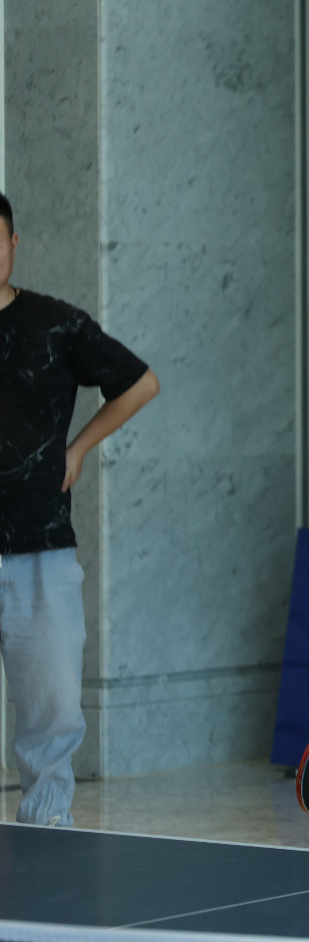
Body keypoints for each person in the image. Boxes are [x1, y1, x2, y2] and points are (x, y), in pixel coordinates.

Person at [0, 191, 160, 826]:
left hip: (41, 550)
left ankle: (46, 838)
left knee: (54, 710)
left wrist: (80, 447)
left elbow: (140, 383)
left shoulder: (56, 323)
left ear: (13, 245)